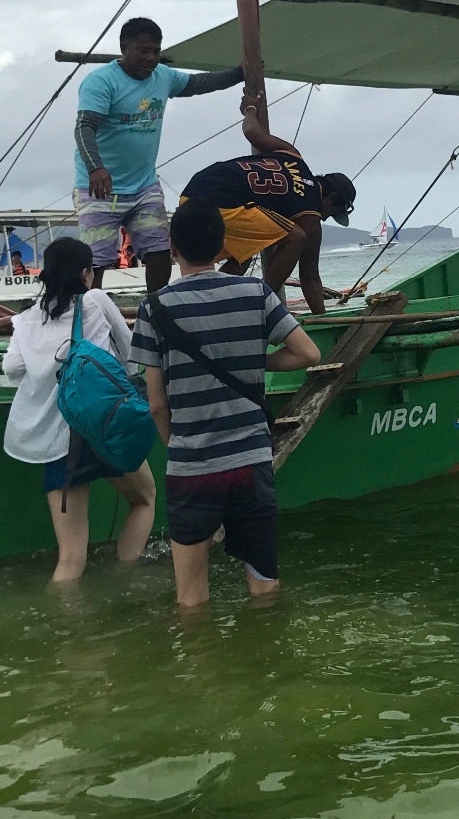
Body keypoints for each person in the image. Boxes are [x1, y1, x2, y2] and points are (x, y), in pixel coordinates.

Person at [132, 199, 321, 609]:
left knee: (192, 599)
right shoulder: (255, 292)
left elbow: (157, 406)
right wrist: (256, 360)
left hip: (192, 467)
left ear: (172, 247)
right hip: (250, 464)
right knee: (265, 588)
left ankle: (205, 670)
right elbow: (309, 355)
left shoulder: (154, 308)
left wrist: (179, 450)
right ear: (222, 248)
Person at [1, 235, 156, 582]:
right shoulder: (96, 301)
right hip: (104, 430)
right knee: (145, 499)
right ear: (86, 272)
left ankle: (65, 625)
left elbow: (11, 369)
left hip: (57, 445)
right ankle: (125, 578)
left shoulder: (26, 320)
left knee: (70, 558)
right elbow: (133, 356)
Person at [74, 16, 244, 295]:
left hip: (143, 186)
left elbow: (199, 83)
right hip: (99, 187)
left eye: (156, 50)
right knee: (98, 262)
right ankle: (93, 315)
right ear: (124, 48)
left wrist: (239, 74)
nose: (151, 58)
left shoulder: (163, 76)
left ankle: (155, 309)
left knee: (159, 250)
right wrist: (95, 168)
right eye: (144, 50)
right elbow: (84, 128)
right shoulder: (101, 82)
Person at [177, 102, 357, 315]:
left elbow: (251, 131)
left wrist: (250, 108)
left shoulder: (292, 155)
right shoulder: (310, 213)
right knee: (296, 238)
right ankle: (261, 305)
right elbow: (309, 276)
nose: (324, 219)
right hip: (225, 202)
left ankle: (201, 304)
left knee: (243, 255)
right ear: (331, 197)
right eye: (331, 214)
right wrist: (322, 318)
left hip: (193, 192)